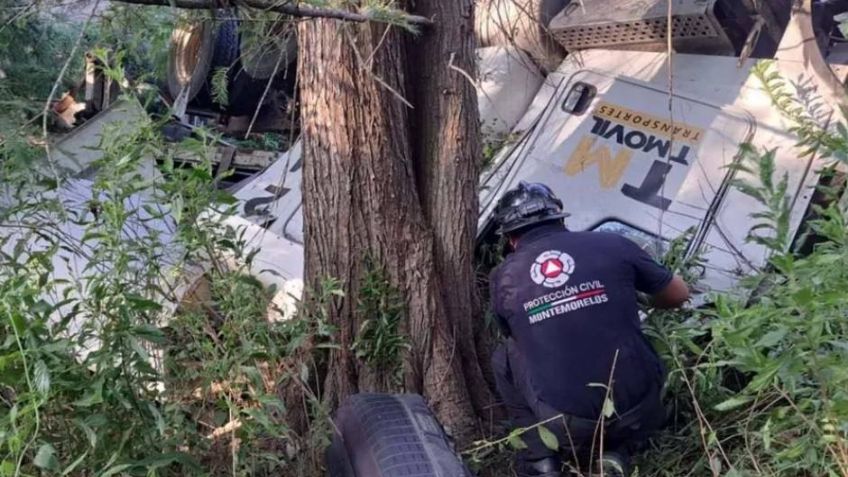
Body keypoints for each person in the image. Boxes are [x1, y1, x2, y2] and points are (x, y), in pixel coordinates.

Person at [488, 182, 690, 477]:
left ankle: (540, 462)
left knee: (504, 358)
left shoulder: (504, 276)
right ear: (560, 218)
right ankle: (620, 450)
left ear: (510, 238)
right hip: (642, 408)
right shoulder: (612, 244)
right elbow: (678, 295)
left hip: (569, 424)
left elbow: (515, 333)